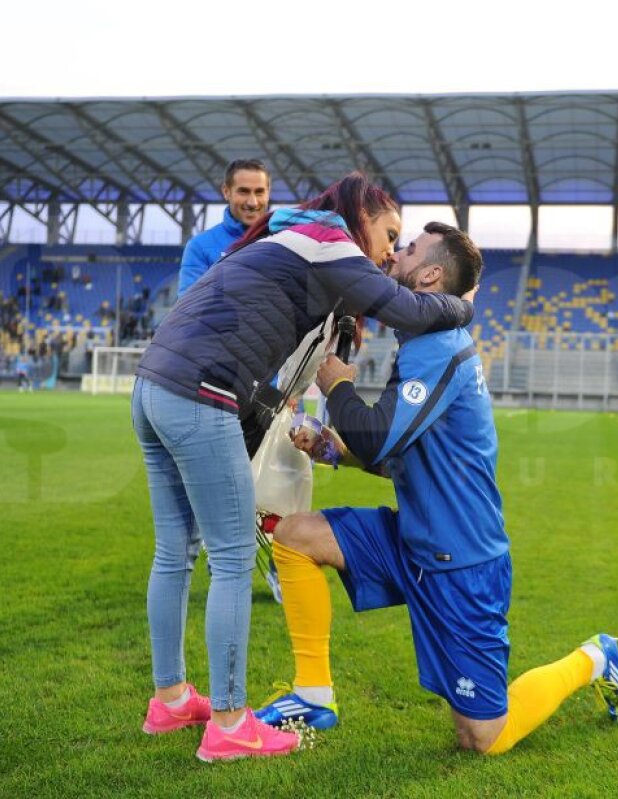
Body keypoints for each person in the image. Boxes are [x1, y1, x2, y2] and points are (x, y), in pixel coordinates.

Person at [255, 222, 618, 754]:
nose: (395, 255)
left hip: (464, 563)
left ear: (431, 274)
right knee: (295, 537)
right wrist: (336, 452)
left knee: (484, 737)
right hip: (412, 539)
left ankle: (595, 658)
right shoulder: (423, 342)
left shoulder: (439, 347)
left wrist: (336, 380)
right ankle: (314, 696)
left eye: (408, 249)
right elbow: (404, 456)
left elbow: (379, 437)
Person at [131, 173, 473, 763]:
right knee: (235, 558)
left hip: (153, 386)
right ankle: (232, 723)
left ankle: (170, 699)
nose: (392, 250)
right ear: (361, 212)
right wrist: (461, 307)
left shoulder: (296, 239)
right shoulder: (328, 239)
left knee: (174, 553)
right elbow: (406, 308)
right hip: (200, 394)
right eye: (390, 234)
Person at [176, 158, 270, 297]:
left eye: (259, 192)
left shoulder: (285, 241)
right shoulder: (200, 246)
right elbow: (189, 311)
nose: (252, 202)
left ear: (268, 193)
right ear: (226, 192)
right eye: (243, 191)